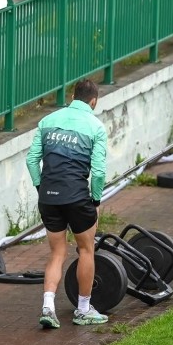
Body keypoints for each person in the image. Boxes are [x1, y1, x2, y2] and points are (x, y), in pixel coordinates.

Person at [26, 79, 109, 328]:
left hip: (49, 198)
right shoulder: (96, 127)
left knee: (57, 253)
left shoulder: (47, 121)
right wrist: (95, 200)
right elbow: (99, 173)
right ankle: (83, 310)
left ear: (73, 95)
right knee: (86, 250)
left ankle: (48, 308)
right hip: (77, 198)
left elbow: (31, 161)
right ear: (93, 101)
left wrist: (42, 188)